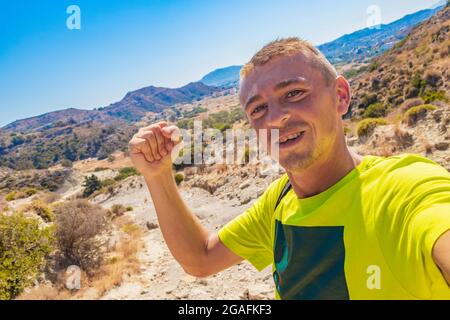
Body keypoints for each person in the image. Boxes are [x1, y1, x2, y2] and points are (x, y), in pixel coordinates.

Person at [128, 37, 450, 299]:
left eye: (294, 93)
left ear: (340, 96)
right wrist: (158, 176)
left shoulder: (405, 190)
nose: (274, 118)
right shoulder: (280, 201)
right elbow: (200, 258)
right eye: (258, 109)